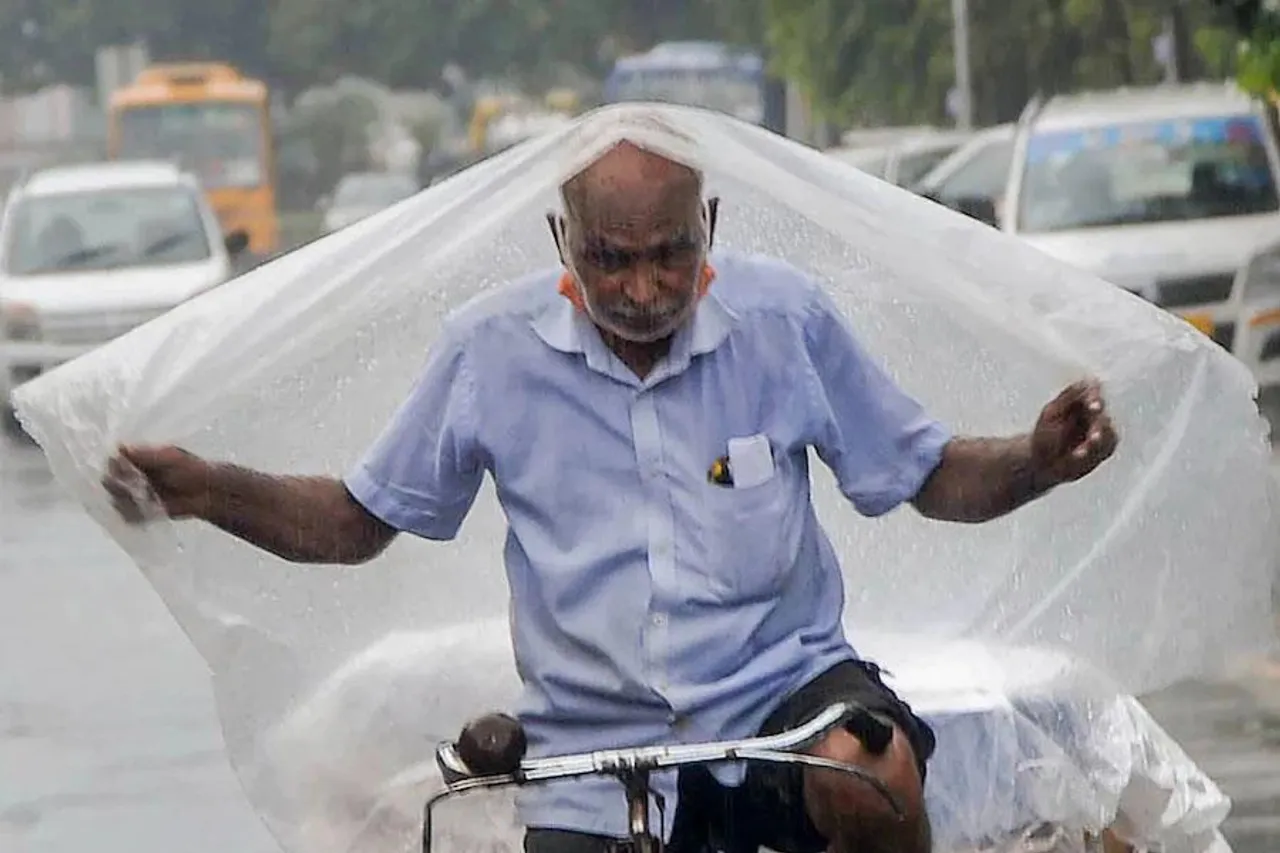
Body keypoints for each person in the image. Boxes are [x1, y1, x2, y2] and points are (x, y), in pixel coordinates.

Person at [103, 136, 1118, 853]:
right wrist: (204, 489)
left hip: (781, 698)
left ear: (707, 225)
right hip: (591, 747)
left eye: (672, 252)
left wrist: (1033, 457)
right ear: (562, 241)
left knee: (876, 768)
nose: (643, 290)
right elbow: (355, 521)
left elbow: (927, 473)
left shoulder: (784, 323)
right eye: (611, 259)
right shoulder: (486, 354)